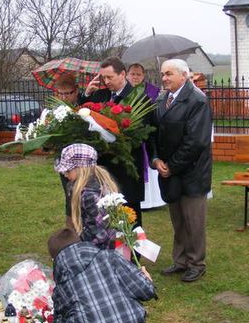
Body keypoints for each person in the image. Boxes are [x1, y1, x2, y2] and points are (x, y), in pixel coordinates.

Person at [41, 227, 155, 323]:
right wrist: (147, 281)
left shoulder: (62, 287)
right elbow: (145, 291)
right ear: (81, 243)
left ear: (55, 258)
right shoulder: (111, 256)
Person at [147, 59, 212, 283]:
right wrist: (156, 159)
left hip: (192, 172)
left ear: (184, 75)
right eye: (162, 74)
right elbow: (153, 133)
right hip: (169, 171)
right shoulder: (162, 99)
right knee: (178, 220)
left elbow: (196, 141)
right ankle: (181, 260)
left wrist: (172, 165)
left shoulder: (197, 101)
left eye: (169, 74)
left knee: (193, 221)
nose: (164, 78)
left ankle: (196, 263)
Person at [84, 57, 148, 226]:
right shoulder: (100, 95)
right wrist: (86, 95)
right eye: (103, 78)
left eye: (110, 77)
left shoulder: (138, 98)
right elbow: (83, 117)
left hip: (126, 166)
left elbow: (144, 131)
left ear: (122, 74)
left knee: (129, 215)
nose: (106, 82)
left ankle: (133, 251)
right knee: (105, 215)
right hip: (103, 166)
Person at [54, 144, 119, 249]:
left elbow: (99, 234)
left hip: (101, 252)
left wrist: (76, 245)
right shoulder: (100, 182)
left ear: (81, 169)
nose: (65, 174)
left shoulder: (89, 195)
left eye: (67, 170)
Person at [126, 63, 166, 210]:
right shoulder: (125, 91)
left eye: (138, 74)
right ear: (127, 75)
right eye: (132, 74)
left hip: (146, 133)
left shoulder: (152, 91)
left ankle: (152, 201)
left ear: (143, 76)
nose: (135, 77)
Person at [54, 74, 82, 228]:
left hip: (83, 161)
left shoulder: (84, 107)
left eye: (68, 93)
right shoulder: (54, 111)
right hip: (65, 162)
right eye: (60, 93)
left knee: (82, 196)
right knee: (70, 196)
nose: (64, 97)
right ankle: (71, 230)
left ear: (76, 91)